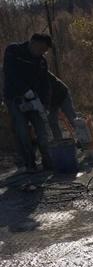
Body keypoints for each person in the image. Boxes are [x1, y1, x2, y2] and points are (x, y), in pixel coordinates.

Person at [2, 33, 53, 171]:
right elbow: (10, 73)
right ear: (33, 43)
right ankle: (30, 163)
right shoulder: (14, 51)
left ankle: (47, 160)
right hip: (14, 97)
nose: (43, 53)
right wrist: (25, 90)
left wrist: (45, 104)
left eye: (45, 51)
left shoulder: (41, 61)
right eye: (42, 49)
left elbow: (45, 84)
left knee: (42, 130)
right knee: (22, 131)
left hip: (34, 99)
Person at [47, 72, 78, 144]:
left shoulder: (40, 69)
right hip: (51, 101)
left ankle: (85, 141)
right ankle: (60, 144)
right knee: (52, 122)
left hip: (62, 94)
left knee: (72, 118)